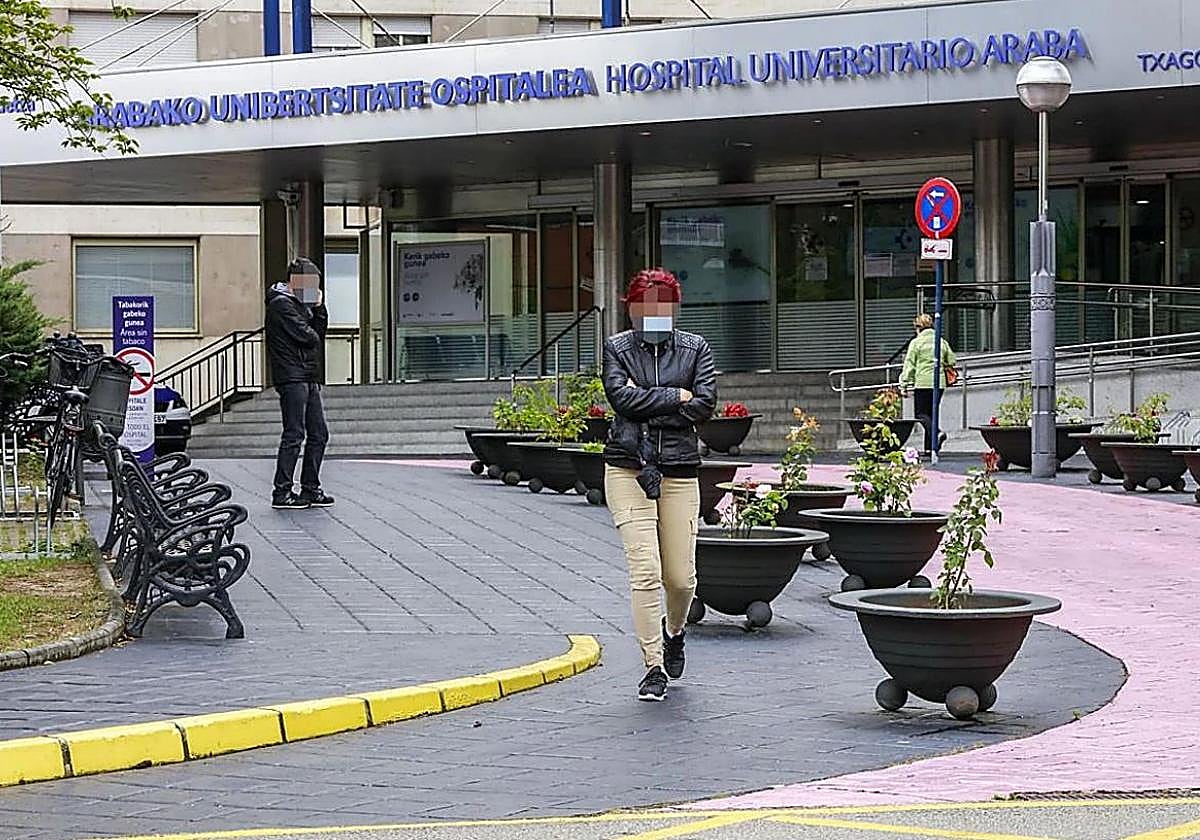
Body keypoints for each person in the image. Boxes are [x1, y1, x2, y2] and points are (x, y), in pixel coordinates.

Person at [602, 268, 717, 702]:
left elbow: (704, 405)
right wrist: (676, 396)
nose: (653, 314)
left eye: (662, 307)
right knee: (646, 570)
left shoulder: (695, 348)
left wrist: (647, 399)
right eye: (645, 306)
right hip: (628, 468)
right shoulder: (616, 348)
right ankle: (653, 666)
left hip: (680, 470)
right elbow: (621, 399)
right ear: (631, 309)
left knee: (681, 579)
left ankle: (675, 632)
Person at [265, 257, 333, 510]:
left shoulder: (300, 305)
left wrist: (319, 308)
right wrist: (313, 313)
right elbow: (309, 337)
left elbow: (318, 334)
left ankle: (310, 488)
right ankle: (282, 491)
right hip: (292, 375)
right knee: (294, 433)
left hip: (307, 375)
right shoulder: (281, 304)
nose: (313, 289)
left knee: (319, 433)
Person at [901, 313, 957, 455]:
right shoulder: (941, 341)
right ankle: (930, 448)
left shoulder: (916, 343)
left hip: (923, 382)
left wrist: (904, 384)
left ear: (918, 327)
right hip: (939, 383)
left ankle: (937, 433)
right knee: (931, 414)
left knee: (920, 414)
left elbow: (909, 365)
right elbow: (952, 360)